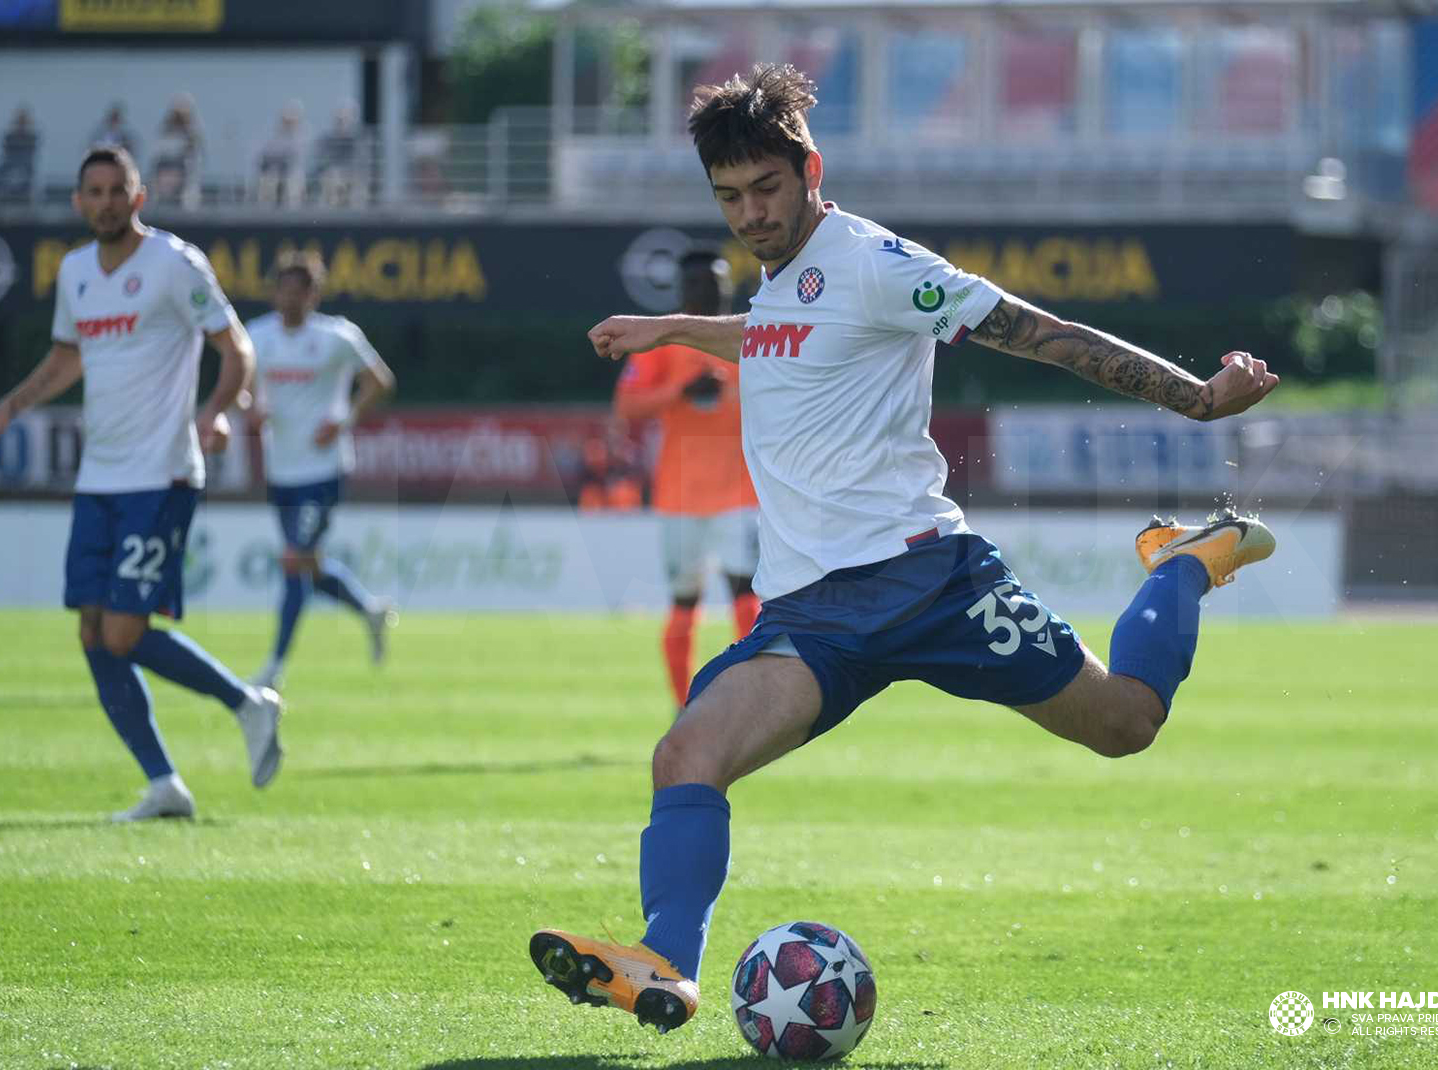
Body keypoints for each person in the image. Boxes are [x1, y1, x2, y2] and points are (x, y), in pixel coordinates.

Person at [529, 63, 1280, 1034]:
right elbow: (782, 331)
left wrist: (1197, 396)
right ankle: (665, 960)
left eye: (766, 189)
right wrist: (674, 327)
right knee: (686, 753)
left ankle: (1188, 556)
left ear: (810, 169)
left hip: (931, 580)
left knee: (1125, 721)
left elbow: (1038, 331)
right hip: (811, 610)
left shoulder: (881, 263)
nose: (750, 213)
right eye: (729, 198)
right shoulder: (784, 280)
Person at [0, 147, 283, 822]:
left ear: (139, 196)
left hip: (164, 472)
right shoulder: (74, 273)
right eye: (92, 191)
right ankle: (163, 785)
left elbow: (236, 346)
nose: (104, 202)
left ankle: (248, 704)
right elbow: (70, 356)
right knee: (94, 633)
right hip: (100, 476)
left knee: (123, 632)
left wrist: (215, 411)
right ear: (78, 202)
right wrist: (10, 407)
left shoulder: (175, 265)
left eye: (115, 190)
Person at [613, 248, 760, 714]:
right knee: (683, 602)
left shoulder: (748, 338)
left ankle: (754, 700)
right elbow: (626, 408)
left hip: (740, 491)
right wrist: (681, 391)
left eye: (715, 284)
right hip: (679, 496)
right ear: (683, 290)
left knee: (746, 594)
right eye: (698, 285)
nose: (707, 292)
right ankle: (686, 710)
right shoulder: (663, 343)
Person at [245, 251, 397, 691]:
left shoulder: (336, 336)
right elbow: (243, 390)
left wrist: (344, 419)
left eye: (300, 291)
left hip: (324, 470)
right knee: (308, 564)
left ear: (314, 295)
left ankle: (274, 668)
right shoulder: (257, 336)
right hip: (282, 469)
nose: (290, 299)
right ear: (274, 292)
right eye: (283, 290)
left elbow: (379, 380)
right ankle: (369, 610)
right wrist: (250, 412)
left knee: (295, 561)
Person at [149, 94, 203, 209]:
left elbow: (195, 157)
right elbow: (159, 153)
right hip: (165, 167)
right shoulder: (165, 131)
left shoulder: (192, 134)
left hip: (183, 170)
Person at [0, 106, 38, 203]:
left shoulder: (31, 137)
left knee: (26, 176)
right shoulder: (9, 136)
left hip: (24, 165)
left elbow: (30, 152)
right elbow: (5, 150)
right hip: (9, 163)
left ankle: (23, 197)